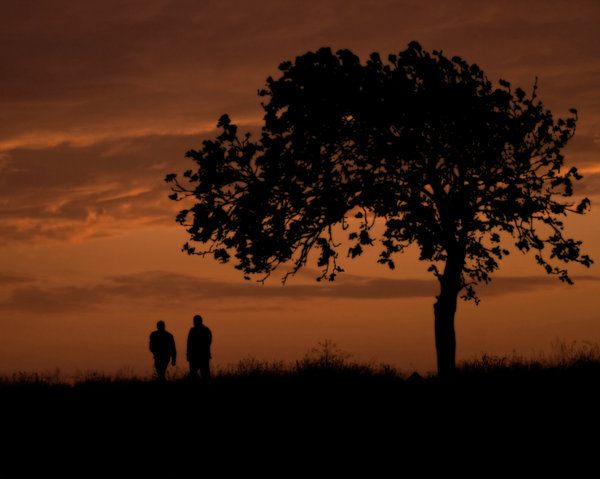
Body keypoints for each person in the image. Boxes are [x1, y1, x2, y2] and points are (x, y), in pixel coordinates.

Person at [187, 314, 212, 380]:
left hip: (201, 355)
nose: (194, 322)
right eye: (194, 321)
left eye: (195, 321)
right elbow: (189, 343)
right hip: (196, 355)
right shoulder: (204, 330)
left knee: (204, 374)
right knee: (194, 374)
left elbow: (208, 342)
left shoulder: (203, 330)